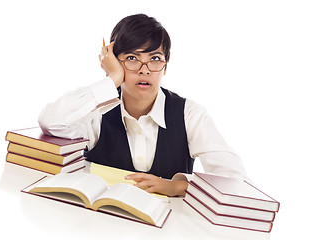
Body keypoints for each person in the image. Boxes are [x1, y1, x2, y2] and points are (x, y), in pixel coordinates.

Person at [38, 14, 249, 197]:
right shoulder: (98, 110)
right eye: (131, 58)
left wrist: (178, 186)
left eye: (155, 58)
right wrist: (112, 79)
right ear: (114, 62)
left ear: (165, 67)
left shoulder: (189, 114)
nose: (144, 70)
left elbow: (233, 179)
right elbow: (51, 122)